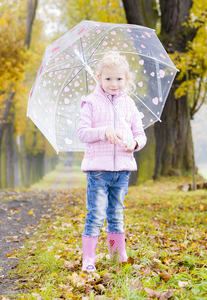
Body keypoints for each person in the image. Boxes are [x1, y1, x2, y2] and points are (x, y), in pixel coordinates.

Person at [77, 51, 147, 273]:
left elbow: (141, 134)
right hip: (98, 170)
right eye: (108, 79)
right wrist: (103, 131)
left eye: (118, 79)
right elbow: (82, 132)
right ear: (99, 78)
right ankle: (88, 258)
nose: (113, 83)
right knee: (96, 213)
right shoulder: (90, 102)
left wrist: (134, 144)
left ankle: (117, 254)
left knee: (116, 212)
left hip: (122, 171)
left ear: (126, 79)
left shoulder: (129, 104)